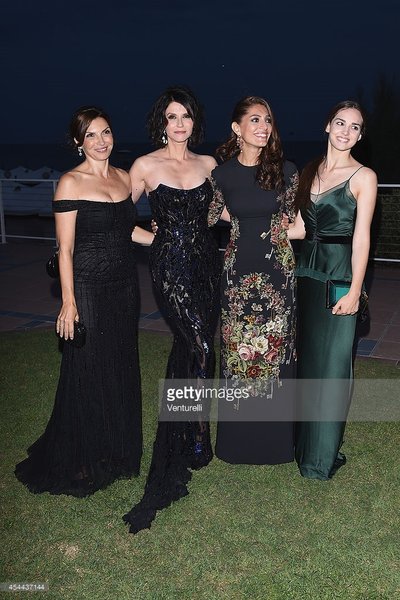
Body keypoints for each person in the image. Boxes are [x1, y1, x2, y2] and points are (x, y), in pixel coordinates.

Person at [15, 106, 153, 496]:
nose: (100, 140)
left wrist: (165, 240)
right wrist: (69, 302)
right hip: (89, 287)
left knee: (119, 365)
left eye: (105, 132)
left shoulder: (124, 178)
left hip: (125, 287)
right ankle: (82, 456)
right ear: (79, 142)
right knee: (88, 369)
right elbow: (65, 249)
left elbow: (128, 231)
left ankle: (116, 450)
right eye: (90, 135)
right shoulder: (70, 182)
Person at [122, 86, 222, 533]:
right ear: (161, 123)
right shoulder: (145, 166)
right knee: (202, 347)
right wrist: (155, 238)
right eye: (171, 117)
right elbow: (117, 218)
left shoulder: (209, 164)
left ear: (194, 122)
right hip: (170, 270)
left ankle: (187, 425)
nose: (179, 124)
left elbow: (222, 214)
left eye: (185, 116)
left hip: (207, 267)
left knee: (189, 350)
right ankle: (198, 438)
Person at [288, 100, 377, 480]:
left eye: (355, 127)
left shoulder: (364, 176)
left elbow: (362, 239)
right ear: (327, 125)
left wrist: (355, 290)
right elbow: (298, 228)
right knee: (308, 365)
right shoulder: (310, 171)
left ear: (360, 135)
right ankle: (303, 447)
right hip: (305, 276)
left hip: (339, 279)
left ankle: (319, 460)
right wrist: (250, 225)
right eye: (341, 123)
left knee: (332, 368)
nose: (346, 131)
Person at [210, 96, 299, 465]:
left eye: (268, 121)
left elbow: (297, 223)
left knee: (276, 352)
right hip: (236, 275)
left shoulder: (287, 170)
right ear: (237, 128)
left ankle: (276, 444)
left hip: (278, 274)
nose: (264, 127)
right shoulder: (221, 174)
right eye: (255, 120)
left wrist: (278, 231)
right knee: (237, 354)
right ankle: (237, 443)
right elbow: (210, 217)